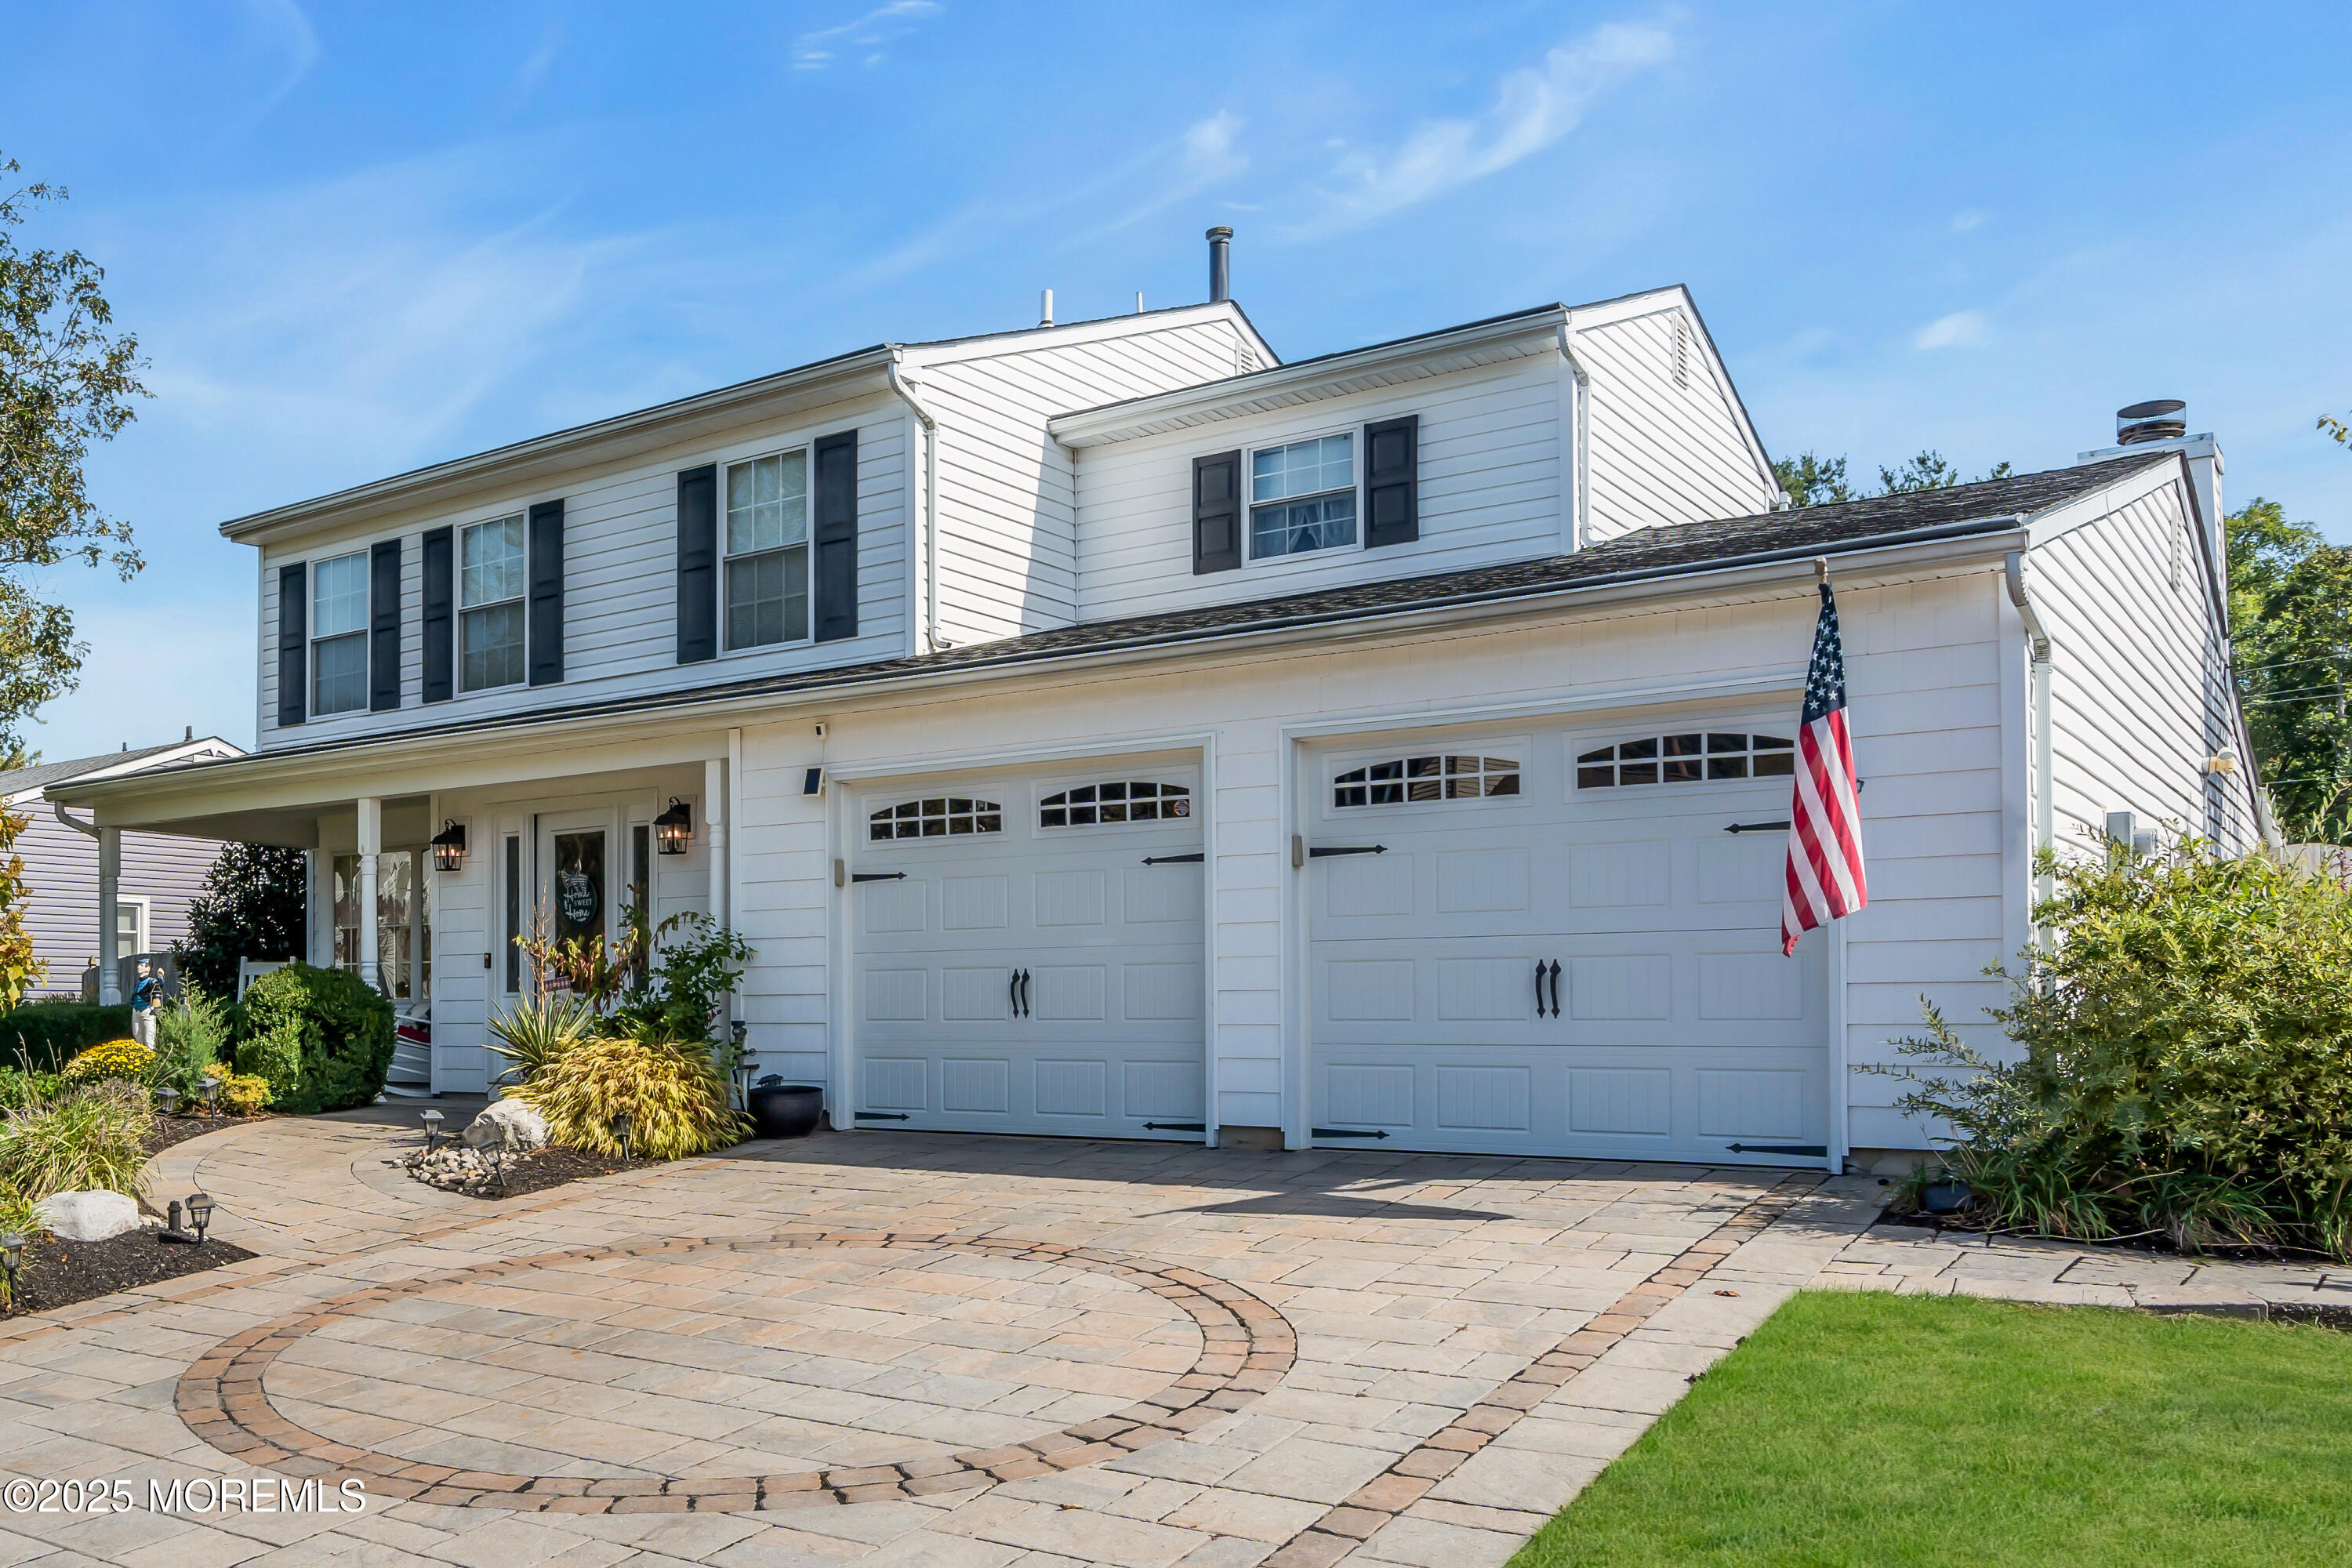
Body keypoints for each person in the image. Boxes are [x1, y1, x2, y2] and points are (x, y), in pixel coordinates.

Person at [130, 958, 162, 1048]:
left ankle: (151, 1058)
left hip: (147, 1010)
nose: (138, 967)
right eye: (139, 964)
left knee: (149, 1037)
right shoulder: (138, 983)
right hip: (136, 1010)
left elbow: (158, 985)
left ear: (147, 968)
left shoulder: (150, 981)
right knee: (137, 1035)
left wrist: (160, 977)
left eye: (141, 965)